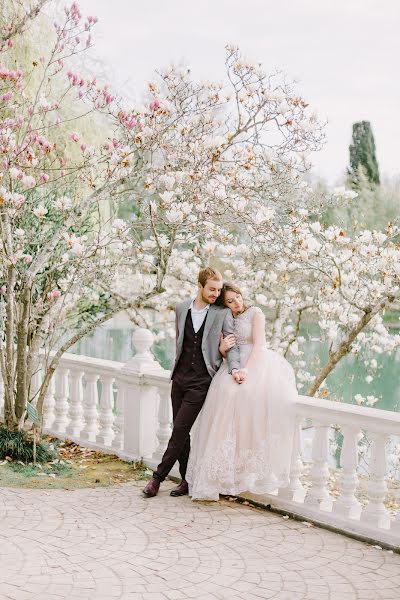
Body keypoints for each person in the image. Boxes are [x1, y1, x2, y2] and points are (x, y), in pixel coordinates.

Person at [186, 283, 297, 501]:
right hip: (233, 364)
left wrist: (246, 369)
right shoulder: (226, 318)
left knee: (246, 399)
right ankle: (220, 472)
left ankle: (247, 472)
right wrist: (223, 350)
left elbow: (258, 344)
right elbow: (224, 351)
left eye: (238, 297)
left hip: (256, 363)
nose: (237, 302)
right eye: (230, 300)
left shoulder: (255, 313)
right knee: (225, 396)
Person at [142, 267, 241, 498]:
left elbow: (232, 345)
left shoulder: (221, 313)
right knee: (181, 431)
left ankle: (157, 478)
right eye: (212, 289)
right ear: (200, 286)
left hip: (202, 380)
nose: (216, 294)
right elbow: (180, 341)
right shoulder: (180, 308)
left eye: (218, 290)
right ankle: (186, 480)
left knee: (179, 429)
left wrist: (235, 368)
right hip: (179, 377)